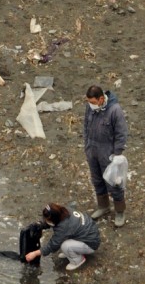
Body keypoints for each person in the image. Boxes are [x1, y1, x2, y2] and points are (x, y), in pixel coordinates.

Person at [84, 85, 128, 227]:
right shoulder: (89, 108)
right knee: (97, 179)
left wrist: (117, 154)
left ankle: (119, 211)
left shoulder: (115, 111)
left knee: (114, 182)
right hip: (92, 149)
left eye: (92, 102)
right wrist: (87, 145)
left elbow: (121, 133)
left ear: (101, 99)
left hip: (108, 153)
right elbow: (86, 126)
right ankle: (103, 206)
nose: (90, 105)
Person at [25, 203, 100, 271]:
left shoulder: (63, 227)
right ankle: (72, 251)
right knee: (63, 240)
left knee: (65, 245)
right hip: (87, 232)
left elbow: (52, 245)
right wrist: (40, 225)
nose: (45, 221)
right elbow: (51, 222)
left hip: (91, 243)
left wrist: (35, 253)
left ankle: (77, 260)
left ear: (54, 219)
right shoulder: (63, 211)